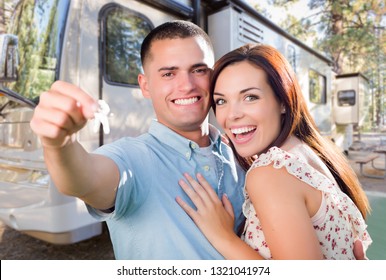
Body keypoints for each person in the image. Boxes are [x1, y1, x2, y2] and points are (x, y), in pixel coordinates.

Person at [30, 20, 245, 259]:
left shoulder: (236, 151)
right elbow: (84, 179)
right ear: (145, 86)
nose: (186, 85)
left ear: (213, 77)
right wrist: (59, 145)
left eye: (198, 70)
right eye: (168, 74)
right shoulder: (133, 156)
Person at [176, 43, 372, 260]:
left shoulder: (272, 172)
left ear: (283, 102)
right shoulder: (310, 151)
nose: (231, 115)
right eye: (221, 101)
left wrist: (223, 237)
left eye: (250, 97)